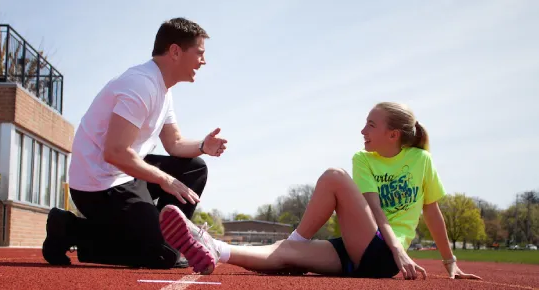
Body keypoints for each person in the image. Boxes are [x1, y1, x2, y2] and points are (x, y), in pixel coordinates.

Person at [158, 101, 482, 280]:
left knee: (333, 177)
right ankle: (213, 247)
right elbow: (370, 207)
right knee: (284, 255)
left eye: (371, 124)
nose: (362, 130)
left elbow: (429, 211)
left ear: (393, 134)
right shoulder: (364, 159)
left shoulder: (421, 161)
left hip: (385, 254)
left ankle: (295, 240)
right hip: (360, 249)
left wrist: (449, 261)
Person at [42, 17, 228, 269]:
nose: (203, 61)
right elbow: (115, 152)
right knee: (163, 256)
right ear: (175, 51)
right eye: (199, 54)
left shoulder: (164, 90)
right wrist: (165, 179)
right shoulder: (141, 85)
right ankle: (68, 229)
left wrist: (203, 146)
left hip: (123, 173)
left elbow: (173, 143)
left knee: (194, 167)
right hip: (97, 183)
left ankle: (170, 236)